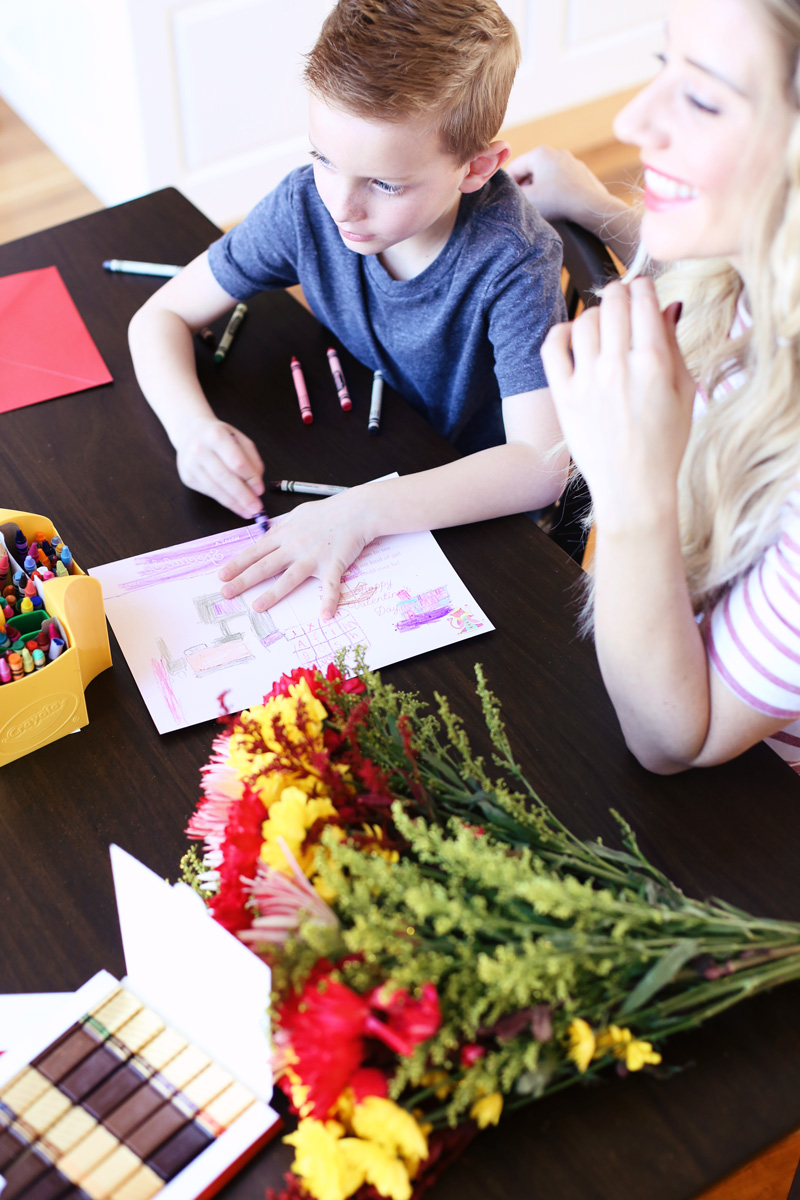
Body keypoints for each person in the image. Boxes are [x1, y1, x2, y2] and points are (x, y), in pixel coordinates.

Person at [128, 0, 568, 620]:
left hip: (468, 508)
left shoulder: (514, 261)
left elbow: (541, 466)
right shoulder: (307, 205)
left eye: (385, 184)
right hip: (375, 440)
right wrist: (191, 430)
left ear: (476, 168)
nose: (342, 206)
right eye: (323, 158)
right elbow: (158, 318)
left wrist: (361, 511)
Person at [510, 0, 800, 776]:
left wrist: (633, 493)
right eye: (661, 66)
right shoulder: (761, 276)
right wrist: (607, 213)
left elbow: (674, 737)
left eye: (703, 98)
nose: (635, 120)